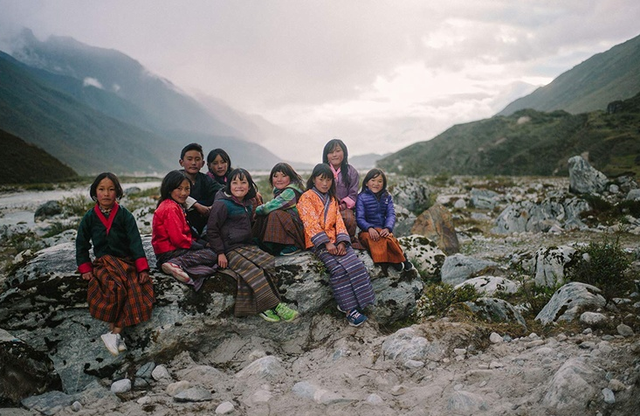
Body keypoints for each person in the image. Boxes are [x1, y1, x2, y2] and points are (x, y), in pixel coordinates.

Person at [76, 172, 154, 356]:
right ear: (95, 192)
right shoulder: (89, 217)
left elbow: (135, 241)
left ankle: (114, 333)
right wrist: (85, 268)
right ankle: (115, 334)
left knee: (136, 286)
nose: (106, 193)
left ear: (117, 192)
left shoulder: (125, 215)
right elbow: (81, 243)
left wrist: (142, 268)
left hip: (125, 262)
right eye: (101, 189)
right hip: (103, 263)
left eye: (111, 189)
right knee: (113, 287)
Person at [207, 168, 300, 322]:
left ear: (249, 186)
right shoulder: (221, 204)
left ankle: (262, 305)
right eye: (234, 182)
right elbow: (212, 230)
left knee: (268, 261)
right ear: (228, 185)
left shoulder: (248, 204)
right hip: (229, 248)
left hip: (246, 246)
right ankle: (274, 306)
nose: (239, 186)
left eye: (243, 182)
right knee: (252, 270)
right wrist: (220, 252)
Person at [297, 163, 375, 327]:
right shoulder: (307, 197)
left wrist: (341, 241)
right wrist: (326, 243)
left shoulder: (332, 199)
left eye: (328, 180)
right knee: (338, 269)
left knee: (356, 264)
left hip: (336, 240)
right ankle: (348, 310)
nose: (325, 184)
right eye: (321, 179)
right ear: (314, 180)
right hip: (316, 242)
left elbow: (339, 222)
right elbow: (310, 223)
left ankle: (362, 303)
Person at [152, 170, 218, 290]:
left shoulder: (174, 205)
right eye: (179, 188)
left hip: (170, 250)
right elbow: (178, 239)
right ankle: (176, 263)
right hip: (170, 252)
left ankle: (177, 265)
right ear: (169, 189)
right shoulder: (170, 208)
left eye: (187, 189)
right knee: (212, 254)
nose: (183, 193)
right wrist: (199, 246)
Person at [356, 168, 414, 271]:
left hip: (383, 229)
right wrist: (369, 228)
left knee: (389, 239)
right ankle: (394, 260)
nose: (376, 184)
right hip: (367, 231)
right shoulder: (361, 197)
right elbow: (360, 218)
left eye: (379, 181)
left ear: (384, 183)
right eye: (373, 180)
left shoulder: (387, 196)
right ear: (366, 183)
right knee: (375, 240)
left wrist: (387, 228)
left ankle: (401, 259)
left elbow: (391, 214)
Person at [253, 162, 306, 256]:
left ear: (291, 177)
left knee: (274, 214)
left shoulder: (291, 191)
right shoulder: (280, 191)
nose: (279, 179)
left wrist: (257, 209)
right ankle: (258, 241)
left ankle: (293, 245)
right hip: (290, 227)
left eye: (283, 176)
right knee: (265, 215)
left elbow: (271, 206)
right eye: (275, 176)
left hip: (299, 232)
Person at [322, 139, 362, 249]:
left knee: (349, 219)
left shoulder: (351, 171)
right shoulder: (322, 170)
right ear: (326, 155)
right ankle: (327, 242)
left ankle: (345, 242)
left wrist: (341, 206)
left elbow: (353, 194)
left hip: (344, 207)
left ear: (344, 152)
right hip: (324, 207)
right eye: (330, 152)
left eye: (338, 151)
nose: (334, 155)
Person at [179, 143, 223, 239]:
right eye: (189, 159)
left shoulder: (205, 179)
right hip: (182, 222)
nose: (194, 163)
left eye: (197, 159)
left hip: (202, 222)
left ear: (202, 164)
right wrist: (196, 205)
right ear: (181, 162)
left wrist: (213, 207)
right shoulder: (176, 177)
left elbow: (222, 190)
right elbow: (170, 192)